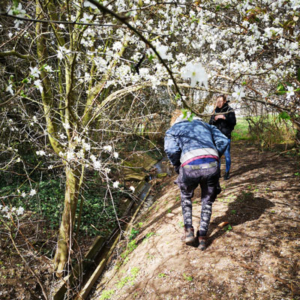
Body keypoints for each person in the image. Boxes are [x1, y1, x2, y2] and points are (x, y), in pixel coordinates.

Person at [164, 110, 229, 250]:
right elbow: (223, 140)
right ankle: (203, 238)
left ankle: (188, 232)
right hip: (212, 165)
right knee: (207, 200)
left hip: (189, 165)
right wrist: (213, 155)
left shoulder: (173, 129)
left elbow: (170, 150)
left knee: (186, 196)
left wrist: (177, 166)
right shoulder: (206, 125)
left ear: (175, 118)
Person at [209, 95, 236, 180]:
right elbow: (210, 123)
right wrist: (214, 120)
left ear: (224, 101)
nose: (219, 103)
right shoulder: (215, 111)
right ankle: (218, 172)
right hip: (216, 137)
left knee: (227, 155)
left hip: (226, 136)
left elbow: (233, 122)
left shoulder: (229, 110)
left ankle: (227, 172)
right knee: (217, 156)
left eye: (220, 101)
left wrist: (224, 117)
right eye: (217, 101)